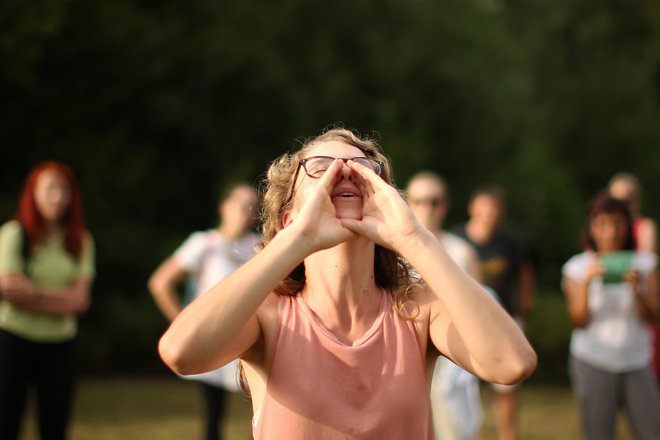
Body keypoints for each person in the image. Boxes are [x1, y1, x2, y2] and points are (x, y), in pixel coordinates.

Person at [157, 127, 537, 439]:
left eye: (362, 166)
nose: (343, 170)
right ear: (289, 215)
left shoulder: (417, 310)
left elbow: (511, 364)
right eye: (320, 167)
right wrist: (296, 240)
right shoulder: (268, 313)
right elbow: (181, 353)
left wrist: (414, 239)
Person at [148, 183, 260, 440]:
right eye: (240, 203)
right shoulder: (204, 243)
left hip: (249, 339)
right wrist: (182, 325)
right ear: (225, 207)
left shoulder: (258, 245)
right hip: (213, 338)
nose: (246, 210)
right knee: (213, 417)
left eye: (252, 205)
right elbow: (160, 282)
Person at [0, 161, 95, 440]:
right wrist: (61, 299)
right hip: (13, 339)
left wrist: (35, 293)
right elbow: (10, 294)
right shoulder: (13, 234)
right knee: (6, 421)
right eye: (51, 188)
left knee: (55, 425)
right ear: (33, 193)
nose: (58, 197)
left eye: (64, 190)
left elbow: (80, 302)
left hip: (59, 344)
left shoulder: (80, 240)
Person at [561, 192, 660, 440]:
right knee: (598, 434)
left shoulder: (646, 263)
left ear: (628, 226)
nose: (611, 232)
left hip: (636, 359)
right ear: (591, 228)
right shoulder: (577, 267)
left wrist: (637, 291)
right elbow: (577, 322)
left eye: (617, 224)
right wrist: (586, 283)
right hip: (592, 359)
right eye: (602, 224)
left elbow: (653, 317)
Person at [406, 171, 483, 440]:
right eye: (418, 200)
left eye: (433, 201)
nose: (426, 208)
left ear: (444, 206)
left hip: (453, 358)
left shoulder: (463, 252)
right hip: (406, 357)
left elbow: (480, 311)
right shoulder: (391, 252)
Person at [453, 185, 535, 440]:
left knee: (506, 384)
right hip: (462, 323)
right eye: (484, 206)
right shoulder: (455, 240)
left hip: (503, 319)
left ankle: (507, 435)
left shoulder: (510, 242)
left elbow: (525, 276)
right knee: (455, 387)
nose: (489, 212)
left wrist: (522, 311)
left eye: (494, 208)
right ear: (472, 208)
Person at [608, 172, 660, 381]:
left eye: (626, 198)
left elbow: (645, 263)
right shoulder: (602, 226)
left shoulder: (645, 226)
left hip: (639, 299)